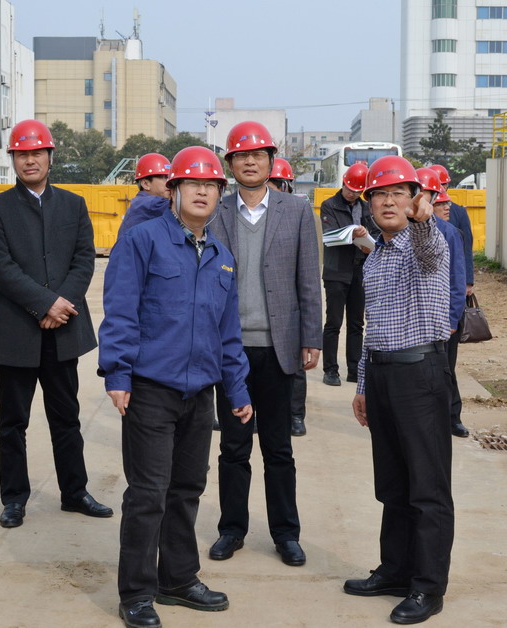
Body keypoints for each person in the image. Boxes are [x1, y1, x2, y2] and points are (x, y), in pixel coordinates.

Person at [99, 146, 253, 628]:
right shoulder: (142, 241)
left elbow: (228, 332)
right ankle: (136, 593)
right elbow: (121, 310)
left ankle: (179, 579)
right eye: (193, 183)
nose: (203, 191)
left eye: (211, 185)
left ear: (220, 194)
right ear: (174, 191)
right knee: (148, 493)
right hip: (150, 388)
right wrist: (117, 373)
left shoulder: (222, 257)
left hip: (199, 394)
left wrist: (237, 390)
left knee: (187, 489)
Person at [0, 119, 112, 529]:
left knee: (66, 417)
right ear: (13, 160)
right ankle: (14, 498)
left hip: (63, 330)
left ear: (50, 157)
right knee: (12, 421)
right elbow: (1, 268)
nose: (29, 160)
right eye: (22, 154)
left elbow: (84, 259)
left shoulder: (73, 205)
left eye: (37, 153)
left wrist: (62, 305)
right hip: (16, 332)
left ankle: (75, 492)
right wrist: (45, 305)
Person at [208, 121, 322, 568]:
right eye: (241, 156)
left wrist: (311, 336)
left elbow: (308, 279)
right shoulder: (217, 211)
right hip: (230, 350)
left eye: (258, 155)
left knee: (278, 448)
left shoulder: (297, 210)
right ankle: (231, 529)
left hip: (279, 348)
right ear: (230, 164)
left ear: (272, 161)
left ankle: (286, 534)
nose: (250, 162)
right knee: (233, 447)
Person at [346, 155, 453, 625]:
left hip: (420, 376)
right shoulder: (375, 257)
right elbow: (373, 329)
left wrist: (425, 221)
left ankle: (428, 587)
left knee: (427, 488)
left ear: (414, 200)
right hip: (383, 376)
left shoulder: (428, 243)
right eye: (379, 195)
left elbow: (428, 249)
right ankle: (394, 570)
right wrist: (363, 385)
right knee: (392, 484)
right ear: (369, 204)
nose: (388, 202)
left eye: (398, 194)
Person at [320, 162, 376, 387]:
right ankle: (330, 370)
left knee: (356, 324)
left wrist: (368, 239)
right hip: (336, 271)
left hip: (359, 270)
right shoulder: (329, 205)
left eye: (357, 191)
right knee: (333, 322)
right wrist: (352, 233)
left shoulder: (366, 207)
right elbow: (329, 234)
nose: (353, 194)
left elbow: (376, 233)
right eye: (350, 189)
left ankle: (354, 370)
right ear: (343, 183)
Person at [429, 164, 474, 437]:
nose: (446, 204)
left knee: (447, 366)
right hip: (425, 311)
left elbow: (464, 254)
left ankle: (452, 416)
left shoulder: (454, 221)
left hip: (447, 306)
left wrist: (467, 284)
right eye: (440, 200)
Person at [266, 157, 308, 437]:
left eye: (277, 185)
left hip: (289, 306)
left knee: (295, 368)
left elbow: (307, 276)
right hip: (259, 311)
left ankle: (295, 415)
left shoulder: (297, 213)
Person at [116, 153, 171, 240]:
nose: (169, 183)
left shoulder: (141, 202)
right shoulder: (150, 203)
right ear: (145, 184)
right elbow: (183, 209)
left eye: (170, 178)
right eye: (164, 177)